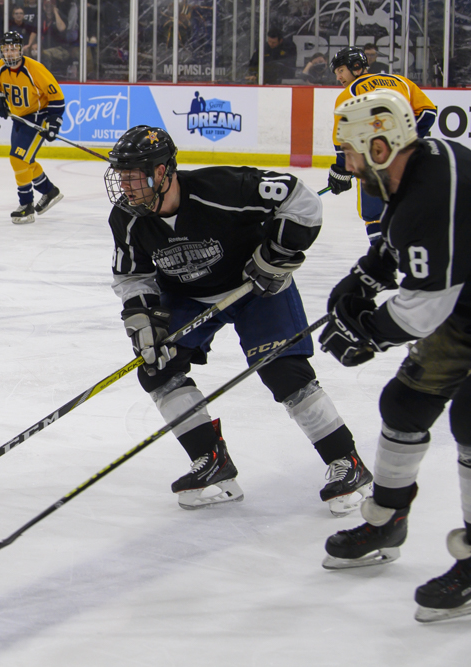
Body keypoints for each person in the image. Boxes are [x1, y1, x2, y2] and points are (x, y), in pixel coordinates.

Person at [103, 124, 372, 514]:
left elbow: (304, 201)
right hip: (188, 295)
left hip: (256, 289)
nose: (124, 186)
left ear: (163, 172)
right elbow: (132, 275)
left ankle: (347, 462)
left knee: (284, 372)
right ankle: (212, 461)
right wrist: (143, 317)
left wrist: (277, 254)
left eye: (132, 176)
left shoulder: (226, 188)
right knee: (158, 369)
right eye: (121, 176)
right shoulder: (126, 218)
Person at [317, 89, 471, 623]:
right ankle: (387, 520)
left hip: (454, 303)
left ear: (379, 145)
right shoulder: (418, 166)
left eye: (352, 151)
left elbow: (424, 309)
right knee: (405, 406)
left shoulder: (434, 194)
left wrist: (366, 332)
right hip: (464, 303)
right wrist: (363, 279)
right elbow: (396, 243)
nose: (347, 162)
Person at [327, 46, 436, 245]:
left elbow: (342, 141)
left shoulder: (349, 93)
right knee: (408, 208)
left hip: (373, 163)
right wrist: (407, 140)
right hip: (407, 161)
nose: (338, 77)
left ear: (356, 66)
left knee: (374, 215)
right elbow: (428, 112)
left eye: (341, 70)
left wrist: (341, 171)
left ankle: (382, 262)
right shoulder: (400, 81)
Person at [0, 31, 64, 224]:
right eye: (6, 50)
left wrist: (54, 122)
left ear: (21, 50)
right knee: (25, 160)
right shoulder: (0, 68)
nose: (10, 54)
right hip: (19, 118)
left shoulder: (35, 69)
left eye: (14, 49)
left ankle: (26, 206)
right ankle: (49, 191)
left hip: (38, 117)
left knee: (18, 159)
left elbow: (56, 97)